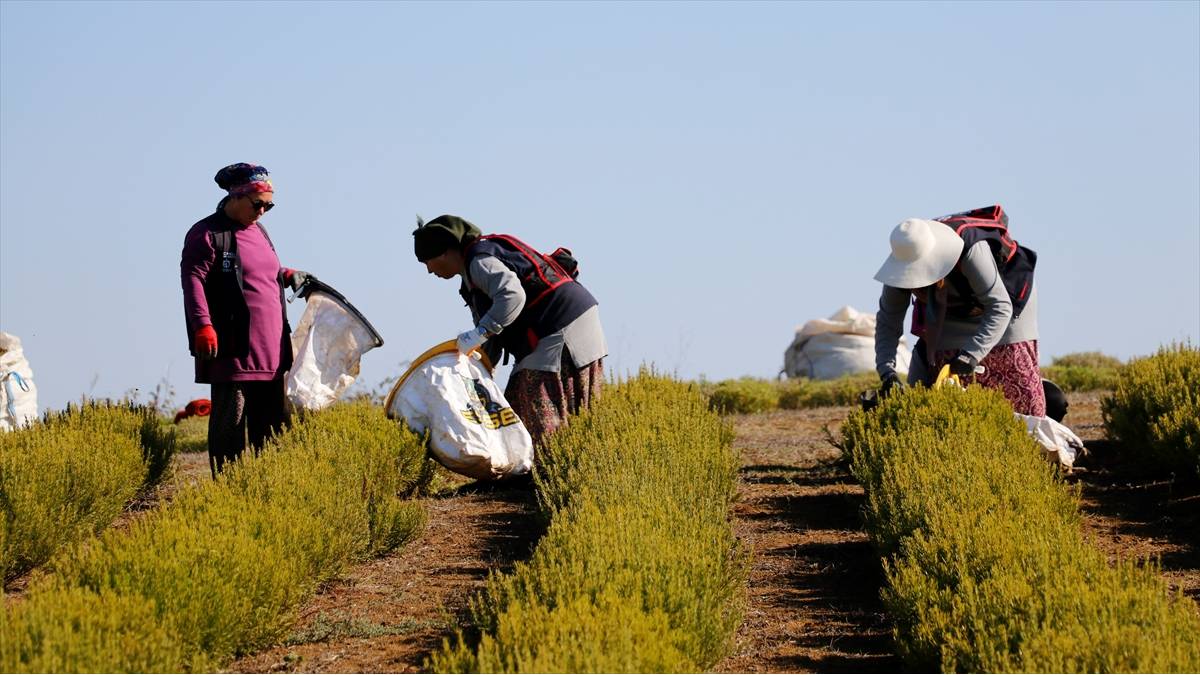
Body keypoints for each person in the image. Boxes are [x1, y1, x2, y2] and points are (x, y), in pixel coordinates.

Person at [412, 215, 606, 447]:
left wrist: (481, 331)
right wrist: (480, 368)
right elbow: (493, 331)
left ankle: (540, 476)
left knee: (531, 403)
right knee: (523, 401)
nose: (428, 271)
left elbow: (512, 295)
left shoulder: (479, 262)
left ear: (443, 252)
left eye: (427, 262)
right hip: (574, 321)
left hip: (559, 327)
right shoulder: (471, 275)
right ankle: (549, 473)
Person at [180, 163, 311, 477]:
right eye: (258, 204)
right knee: (231, 424)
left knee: (271, 427)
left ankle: (269, 488)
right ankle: (230, 491)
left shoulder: (260, 231)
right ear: (235, 197)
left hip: (270, 349)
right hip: (232, 347)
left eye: (269, 205)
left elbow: (262, 273)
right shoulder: (207, 234)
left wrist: (287, 274)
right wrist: (202, 325)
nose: (263, 211)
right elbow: (193, 279)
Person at [873, 217, 1046, 416]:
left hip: (1006, 306)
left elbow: (1000, 307)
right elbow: (888, 321)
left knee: (1018, 392)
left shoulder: (970, 249)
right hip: (948, 306)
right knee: (933, 389)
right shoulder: (902, 262)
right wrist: (887, 372)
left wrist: (971, 355)